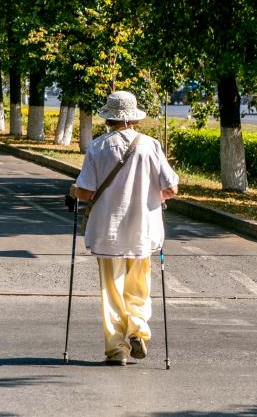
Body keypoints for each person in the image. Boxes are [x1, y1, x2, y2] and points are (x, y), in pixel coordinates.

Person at [69, 91, 179, 366]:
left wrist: (72, 191)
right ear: (133, 118)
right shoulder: (150, 145)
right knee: (139, 284)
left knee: (112, 289)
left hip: (108, 232)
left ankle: (117, 348)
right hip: (143, 230)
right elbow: (171, 188)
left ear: (108, 118)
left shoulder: (97, 147)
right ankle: (138, 328)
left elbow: (85, 191)